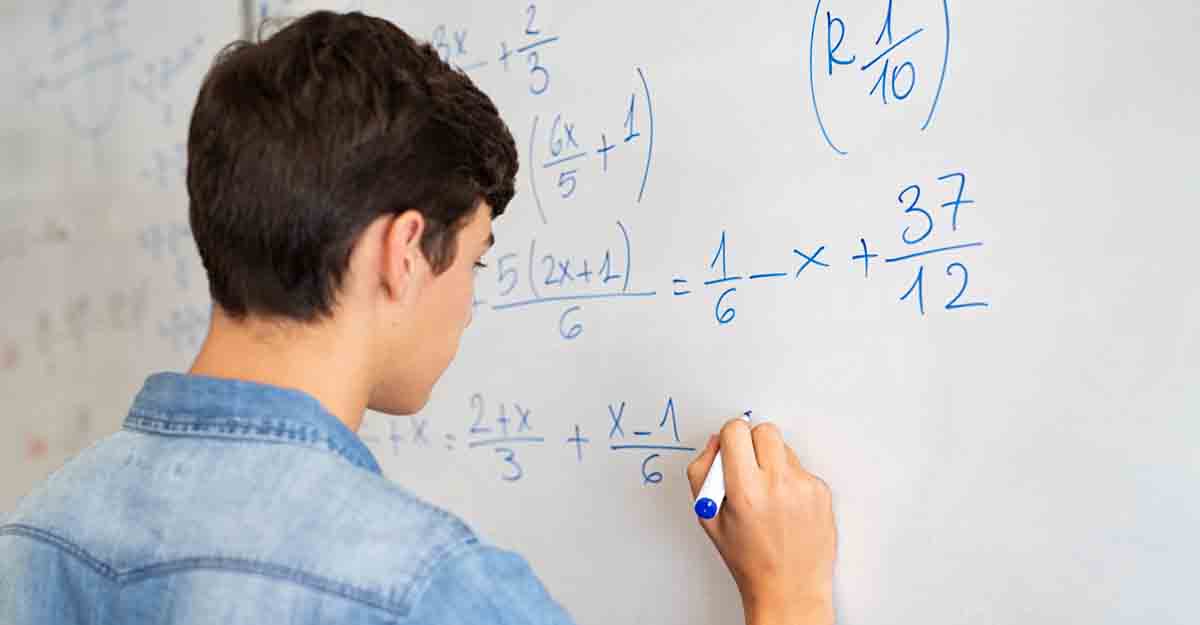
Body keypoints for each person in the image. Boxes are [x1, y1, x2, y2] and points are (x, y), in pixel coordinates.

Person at [0, 11, 836, 625]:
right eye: (474, 260)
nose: (470, 305)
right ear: (403, 252)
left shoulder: (33, 535)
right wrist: (787, 594)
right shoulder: (428, 588)